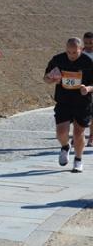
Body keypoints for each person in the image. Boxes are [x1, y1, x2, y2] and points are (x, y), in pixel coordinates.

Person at [43, 37, 93, 172]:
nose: (71, 55)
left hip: (82, 102)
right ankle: (65, 146)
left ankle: (78, 160)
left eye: (74, 52)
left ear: (81, 50)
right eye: (68, 52)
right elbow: (46, 78)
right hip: (63, 101)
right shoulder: (58, 60)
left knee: (78, 133)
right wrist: (50, 79)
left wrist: (87, 89)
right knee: (61, 133)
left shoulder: (88, 62)